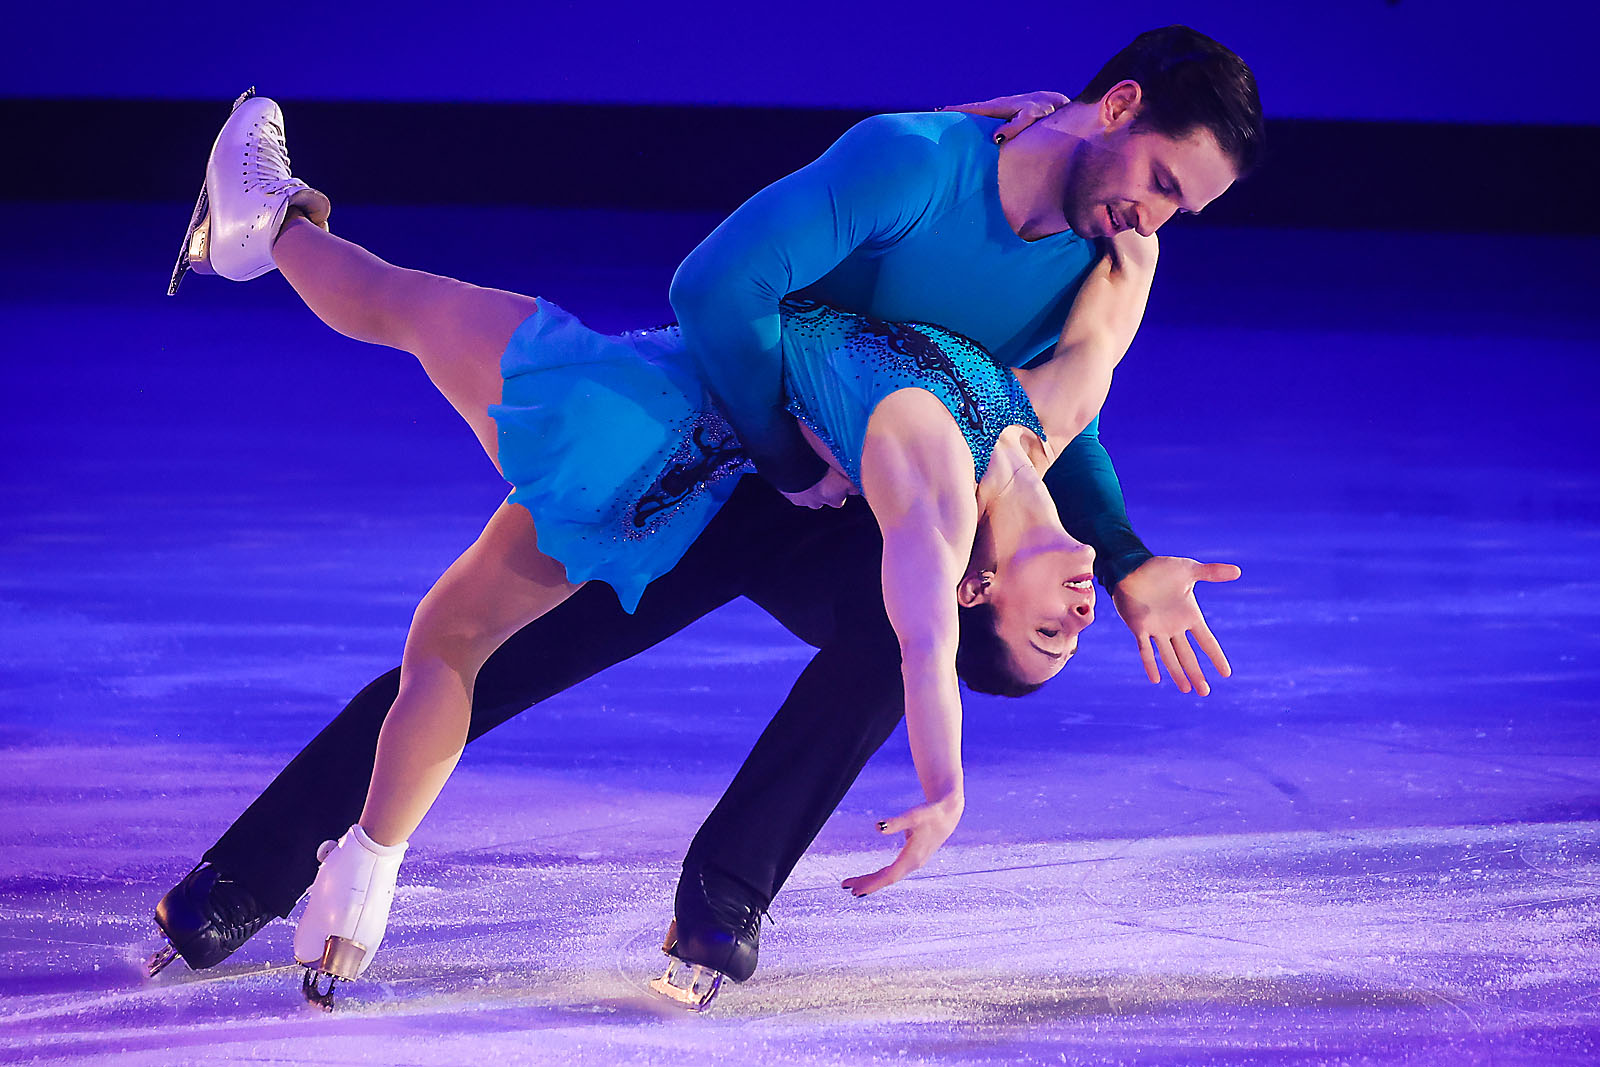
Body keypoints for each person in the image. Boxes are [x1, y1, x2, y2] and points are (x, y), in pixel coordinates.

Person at [150, 25, 1259, 1008]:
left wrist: (1124, 558)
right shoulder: (917, 161)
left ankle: (722, 901)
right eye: (1160, 181)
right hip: (716, 446)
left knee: (907, 629)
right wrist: (785, 459)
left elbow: (1044, 428)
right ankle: (243, 877)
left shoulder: (1104, 259)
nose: (1154, 218)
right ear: (1117, 107)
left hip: (865, 493)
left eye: (1182, 209)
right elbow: (716, 288)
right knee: (490, 652)